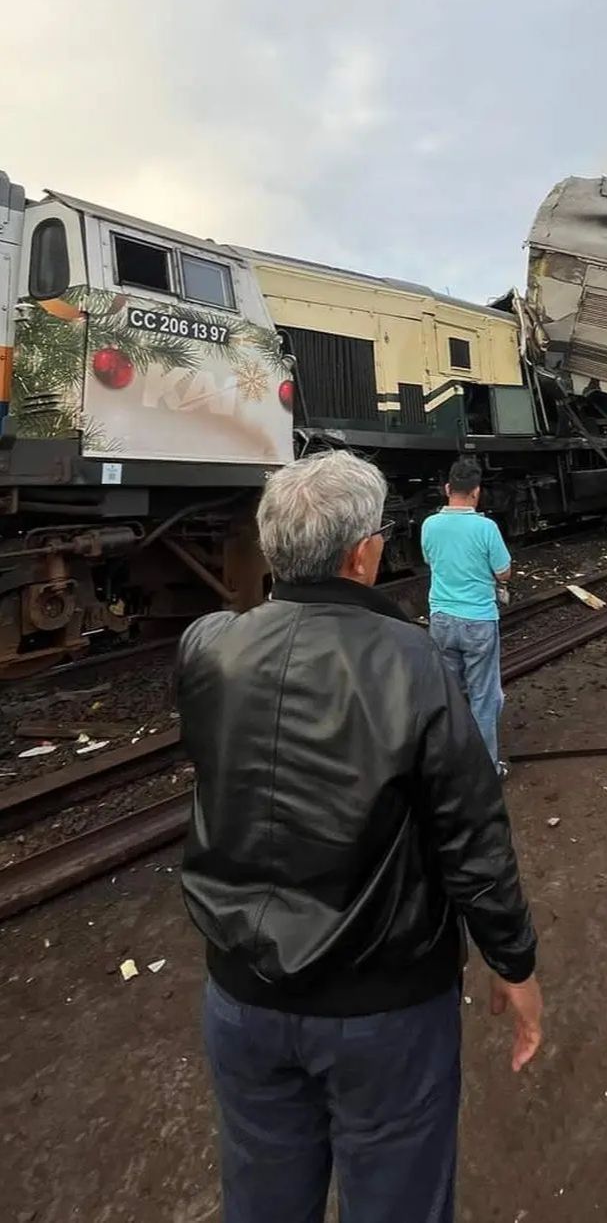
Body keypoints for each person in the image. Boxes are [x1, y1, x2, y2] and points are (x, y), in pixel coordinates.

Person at [177, 451, 542, 1223]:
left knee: (262, 1198)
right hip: (383, 1004)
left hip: (240, 995)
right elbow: (472, 836)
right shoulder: (413, 662)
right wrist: (513, 962)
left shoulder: (208, 648)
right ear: (361, 552)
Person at [421, 457, 512, 774]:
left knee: (450, 695)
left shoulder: (429, 525)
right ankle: (486, 771)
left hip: (442, 620)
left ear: (448, 488)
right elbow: (503, 573)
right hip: (478, 621)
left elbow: (431, 561)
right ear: (476, 492)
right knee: (484, 698)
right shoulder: (486, 528)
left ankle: (452, 765)